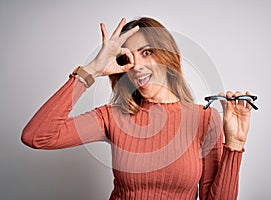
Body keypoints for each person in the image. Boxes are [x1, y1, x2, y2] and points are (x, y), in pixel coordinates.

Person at [21, 17, 254, 200]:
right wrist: (92, 70)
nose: (137, 66)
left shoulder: (204, 118)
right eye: (126, 59)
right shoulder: (112, 116)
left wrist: (234, 145)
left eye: (146, 52)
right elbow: (37, 137)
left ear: (167, 56)